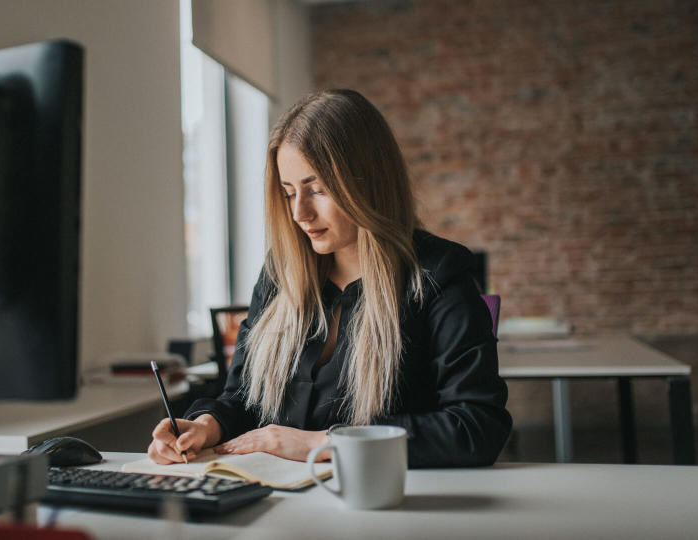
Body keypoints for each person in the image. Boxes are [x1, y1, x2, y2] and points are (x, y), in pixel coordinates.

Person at [149, 89, 512, 468]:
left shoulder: (438, 275)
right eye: (289, 194)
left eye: (318, 189)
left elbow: (476, 427)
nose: (300, 213)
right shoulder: (280, 275)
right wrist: (205, 426)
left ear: (368, 182)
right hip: (280, 499)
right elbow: (242, 398)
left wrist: (323, 444)